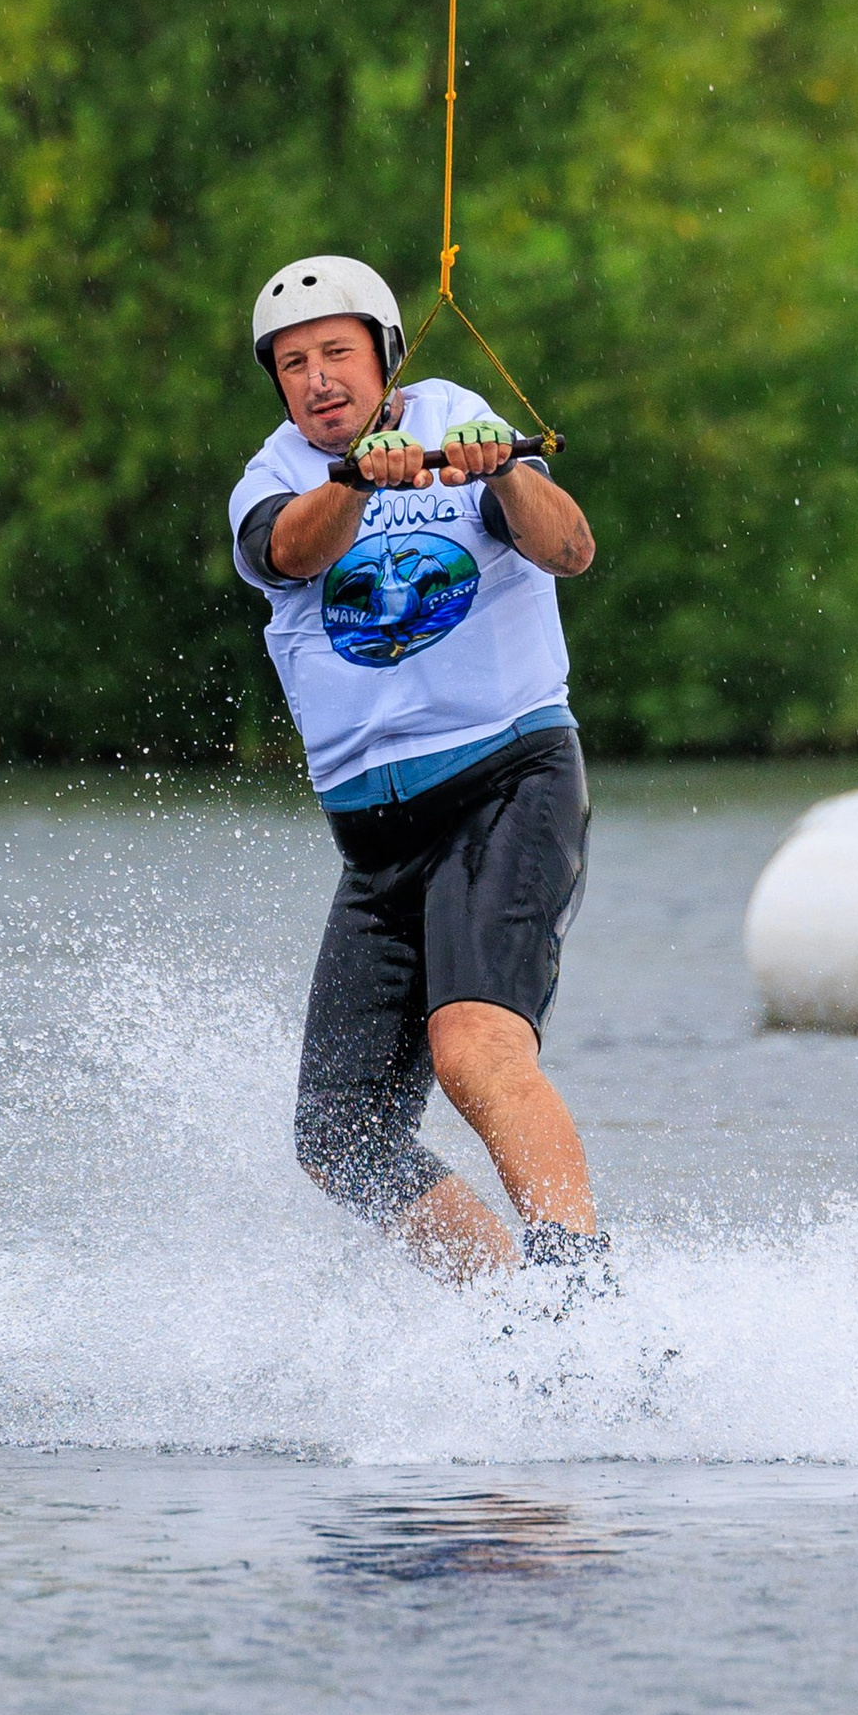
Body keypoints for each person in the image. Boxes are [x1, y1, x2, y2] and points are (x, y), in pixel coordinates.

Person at [229, 253, 611, 1287]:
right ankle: (508, 1314)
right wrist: (355, 477)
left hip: (505, 785)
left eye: (336, 354)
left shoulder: (458, 420)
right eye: (294, 364)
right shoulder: (274, 481)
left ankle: (581, 1292)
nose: (316, 380)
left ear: (385, 356)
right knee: (338, 1137)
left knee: (474, 1051)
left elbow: (569, 549)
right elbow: (295, 554)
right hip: (380, 844)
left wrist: (505, 473)